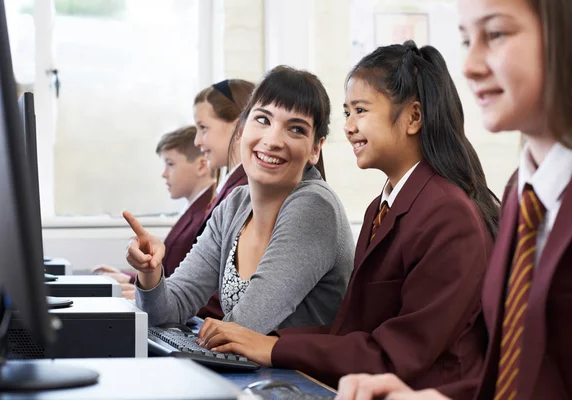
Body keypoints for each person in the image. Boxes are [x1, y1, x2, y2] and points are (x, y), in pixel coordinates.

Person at [197, 41, 500, 393]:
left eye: (360, 110)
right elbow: (354, 330)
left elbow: (400, 353)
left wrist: (275, 347)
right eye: (346, 113)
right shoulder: (381, 207)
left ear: (413, 117)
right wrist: (266, 341)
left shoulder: (448, 214)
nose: (349, 127)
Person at [333, 0, 572, 399]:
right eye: (465, 40)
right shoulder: (521, 193)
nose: (470, 65)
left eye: (494, 34)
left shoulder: (453, 209)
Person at [124, 65, 355, 334]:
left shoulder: (315, 207)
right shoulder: (234, 205)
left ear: (315, 149)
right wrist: (149, 272)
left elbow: (244, 329)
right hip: (247, 374)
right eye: (263, 120)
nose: (272, 140)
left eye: (295, 129)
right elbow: (165, 313)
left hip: (299, 376)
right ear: (242, 128)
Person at [92, 126, 214, 300]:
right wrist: (132, 278)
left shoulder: (208, 213)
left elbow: (190, 284)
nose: (164, 174)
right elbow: (174, 275)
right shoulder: (193, 209)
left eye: (170, 164)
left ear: (202, 165)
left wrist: (137, 287)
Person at [191, 78, 255, 319]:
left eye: (203, 128)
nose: (197, 141)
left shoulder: (247, 190)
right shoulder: (231, 186)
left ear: (238, 127)